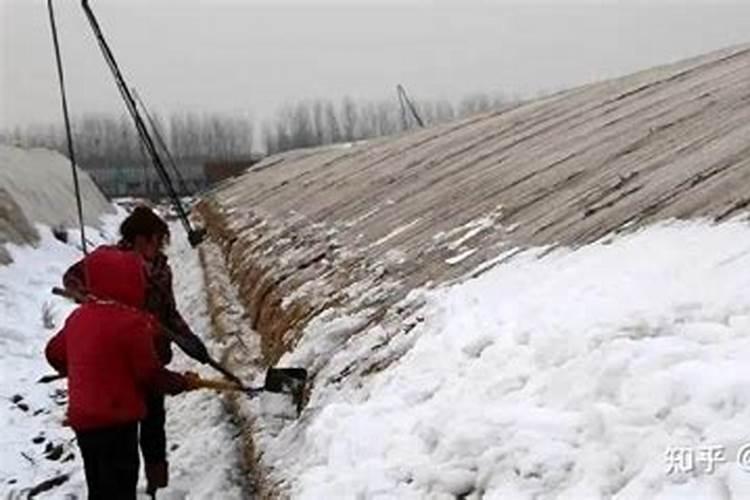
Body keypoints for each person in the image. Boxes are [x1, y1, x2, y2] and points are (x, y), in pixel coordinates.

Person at [62, 205, 205, 495]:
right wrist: (85, 295)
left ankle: (156, 484)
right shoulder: (109, 263)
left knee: (153, 425)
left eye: (159, 240)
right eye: (150, 240)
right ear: (135, 238)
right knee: (121, 434)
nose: (154, 246)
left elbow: (169, 312)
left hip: (150, 358)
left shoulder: (162, 270)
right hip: (117, 365)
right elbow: (72, 278)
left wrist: (189, 340)